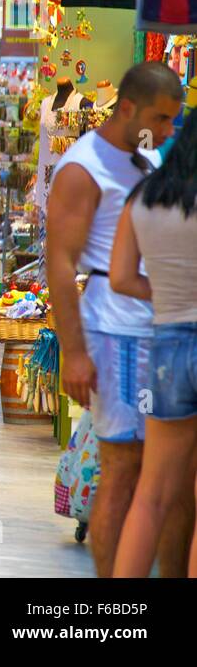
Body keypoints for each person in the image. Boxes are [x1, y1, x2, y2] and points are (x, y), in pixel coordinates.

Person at [47, 62, 184, 577]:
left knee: (165, 474)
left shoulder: (144, 157)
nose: (170, 130)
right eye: (162, 118)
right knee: (123, 471)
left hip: (157, 329)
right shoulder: (84, 168)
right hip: (116, 331)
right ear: (128, 108)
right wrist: (75, 352)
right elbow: (60, 264)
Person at [110, 114, 197, 577]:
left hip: (166, 346)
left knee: (152, 492)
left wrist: (165, 292)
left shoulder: (144, 197)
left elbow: (122, 277)